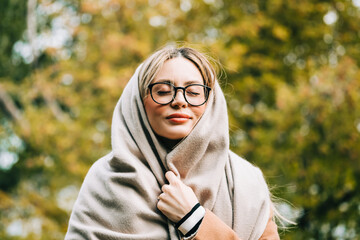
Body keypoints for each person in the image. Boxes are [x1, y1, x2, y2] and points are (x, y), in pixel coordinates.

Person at [65, 46, 280, 239]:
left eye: (194, 92)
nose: (179, 101)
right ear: (139, 102)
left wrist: (195, 220)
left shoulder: (245, 182)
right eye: (163, 91)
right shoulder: (106, 178)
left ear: (211, 102)